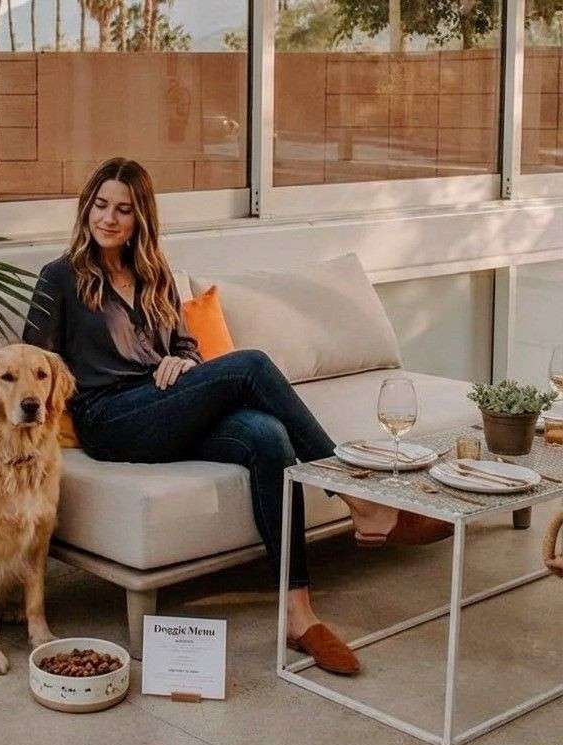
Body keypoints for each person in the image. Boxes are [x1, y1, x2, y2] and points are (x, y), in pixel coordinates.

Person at [22, 157, 452, 675]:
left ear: (141, 219)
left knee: (269, 437)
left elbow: (183, 342)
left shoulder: (153, 273)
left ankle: (299, 614)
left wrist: (185, 360)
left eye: (124, 210)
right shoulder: (60, 277)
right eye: (101, 205)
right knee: (251, 365)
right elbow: (33, 363)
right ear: (87, 208)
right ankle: (359, 496)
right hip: (112, 419)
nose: (109, 219)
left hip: (168, 405)